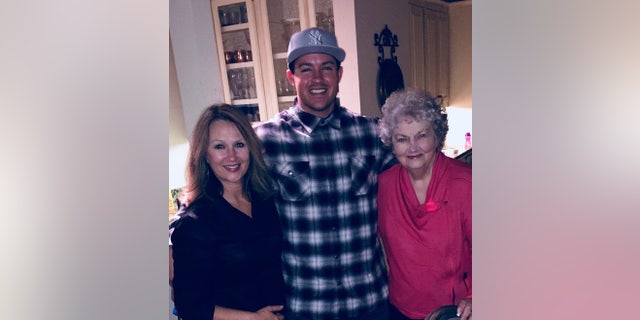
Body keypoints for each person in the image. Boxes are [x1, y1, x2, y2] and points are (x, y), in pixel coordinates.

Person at [254, 27, 396, 320]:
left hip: (370, 303)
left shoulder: (373, 133)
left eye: (326, 68)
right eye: (306, 69)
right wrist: (174, 238)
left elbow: (424, 178)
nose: (317, 79)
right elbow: (218, 190)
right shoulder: (264, 140)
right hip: (306, 307)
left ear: (339, 75)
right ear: (291, 78)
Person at [170, 104, 286, 320]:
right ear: (204, 154)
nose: (231, 156)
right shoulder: (195, 223)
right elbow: (190, 305)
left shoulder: (265, 202)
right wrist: (253, 318)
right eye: (219, 147)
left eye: (239, 144)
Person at [376, 88, 472, 320]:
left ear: (437, 136)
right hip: (400, 310)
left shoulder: (465, 183)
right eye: (402, 139)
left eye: (421, 135)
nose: (413, 148)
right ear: (391, 143)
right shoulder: (384, 185)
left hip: (453, 312)